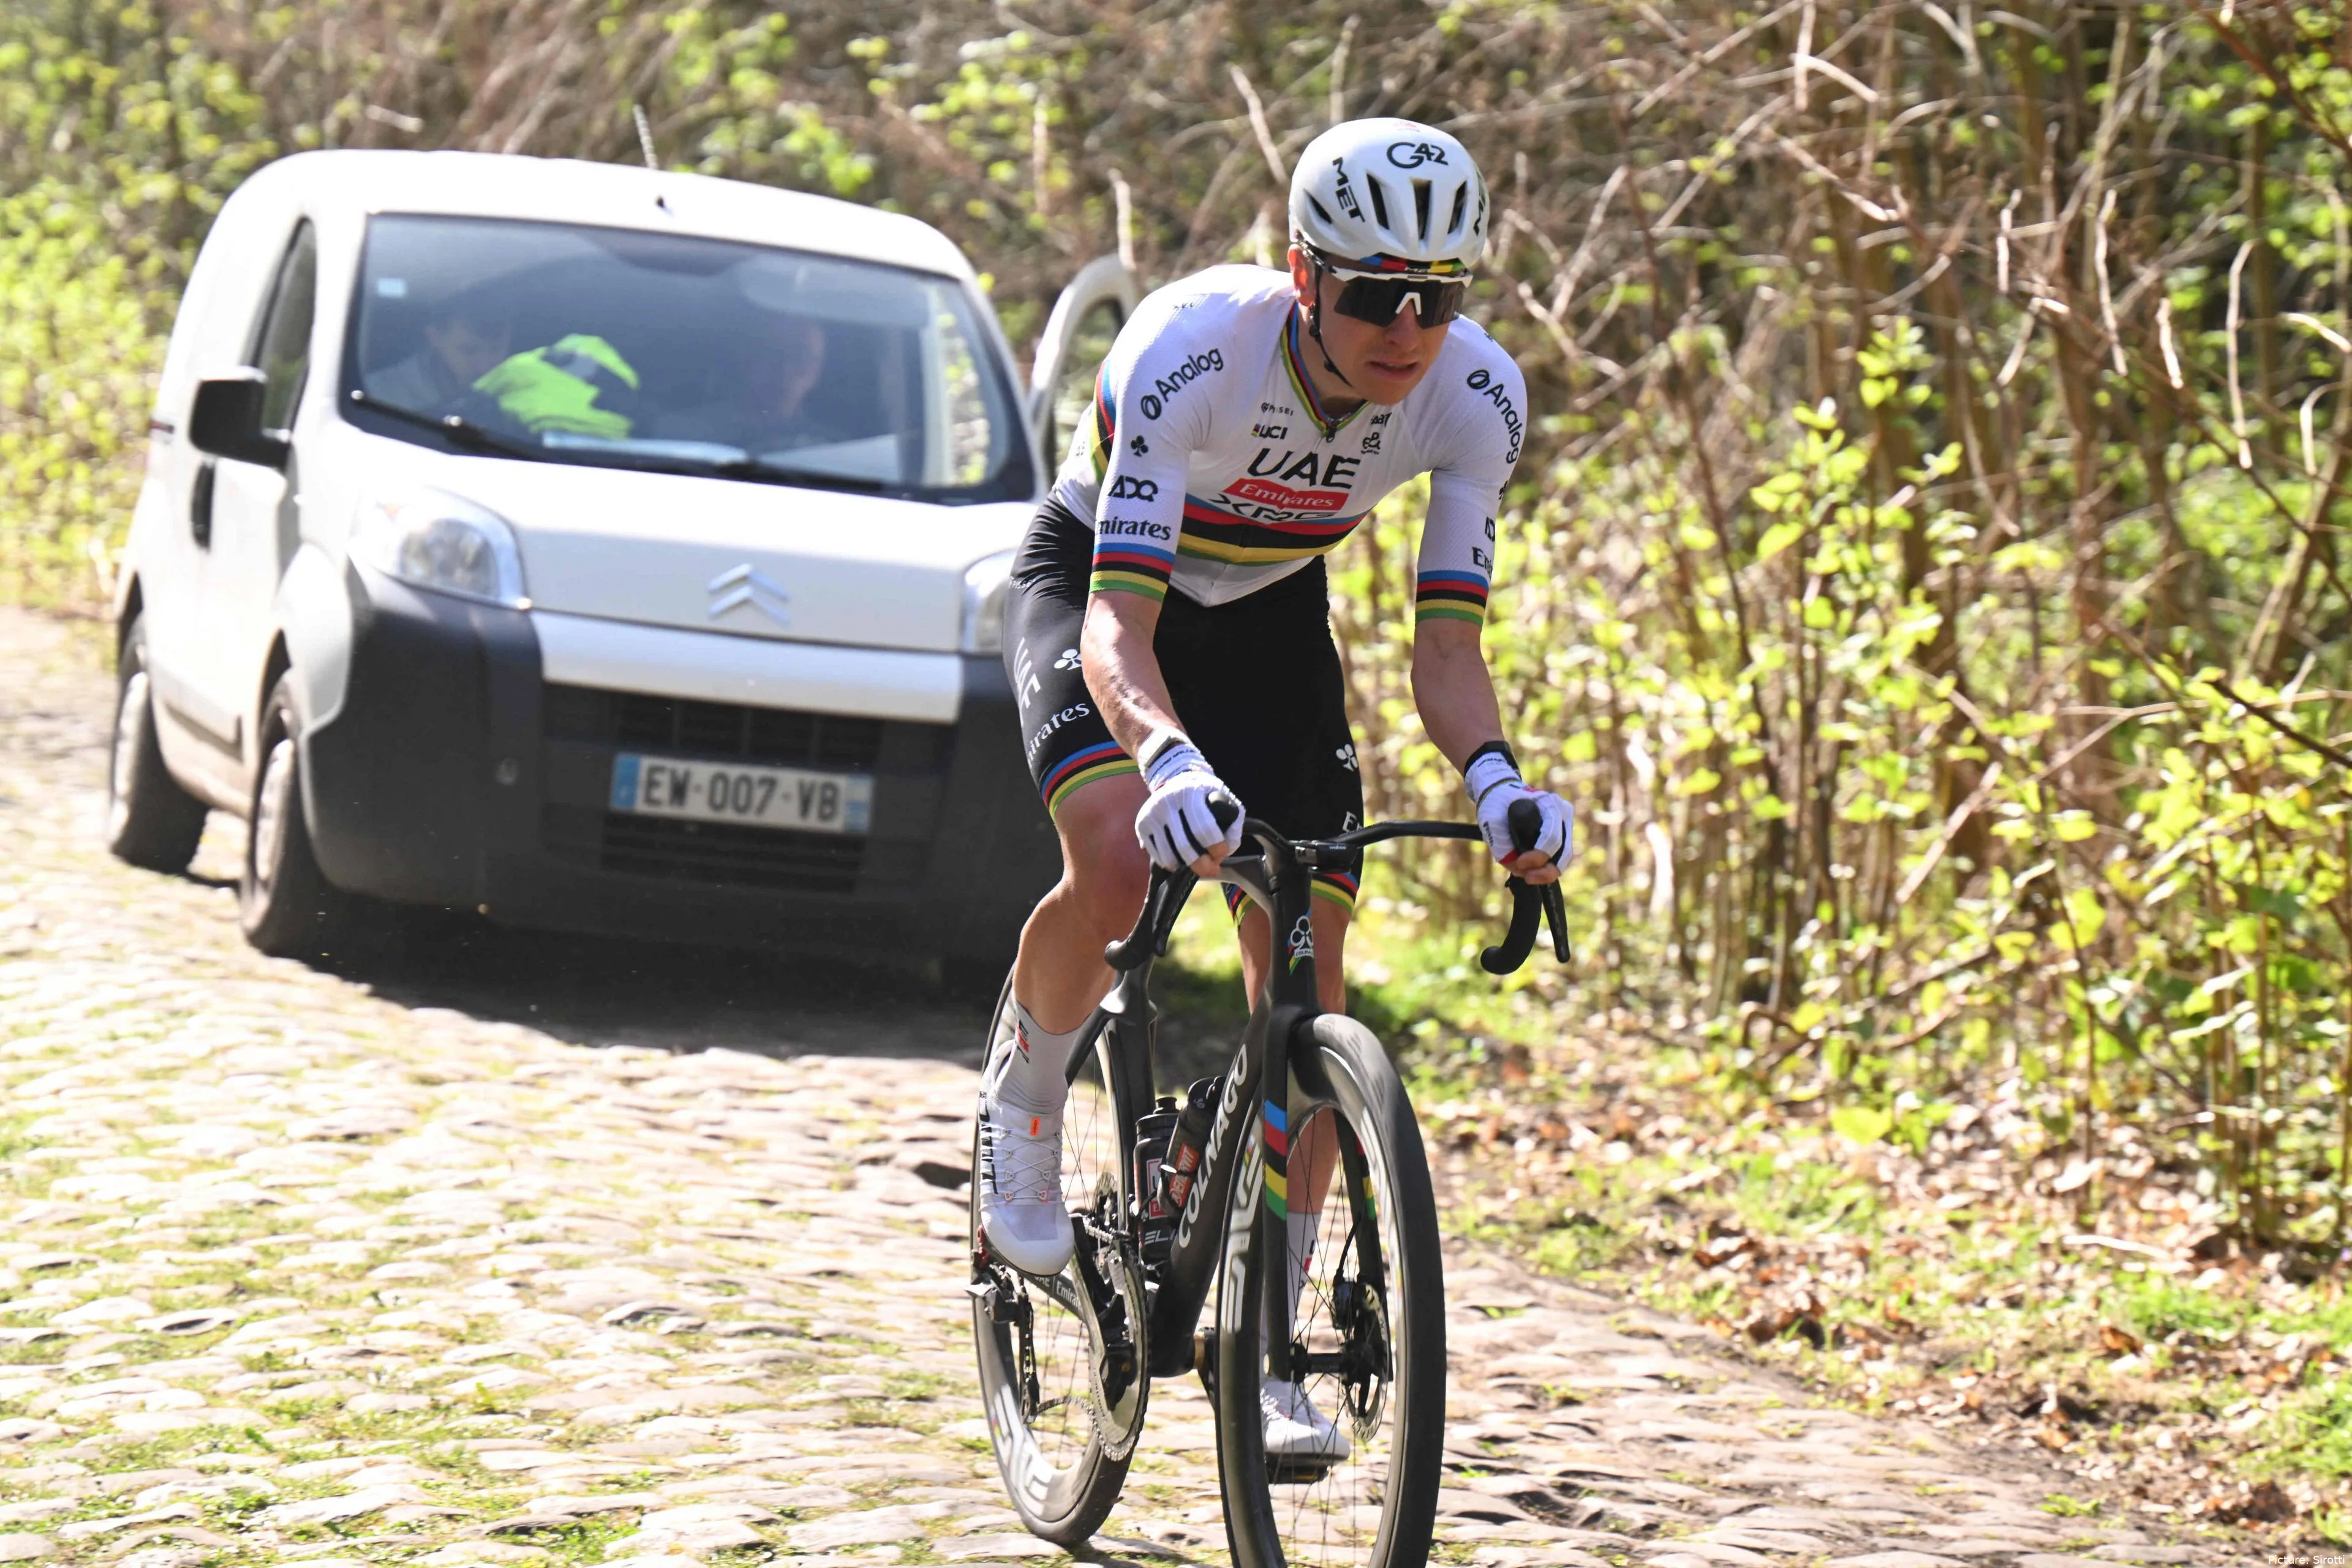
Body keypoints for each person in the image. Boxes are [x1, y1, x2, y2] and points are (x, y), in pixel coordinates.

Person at [979, 118, 1572, 1461]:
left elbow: (1447, 650)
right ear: (1305, 273)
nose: (1408, 328)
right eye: (1375, 294)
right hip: (1102, 586)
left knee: (1308, 977)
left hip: (1267, 619)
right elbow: (1118, 629)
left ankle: (1267, 1341)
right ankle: (1025, 1100)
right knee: (1117, 861)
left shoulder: (1477, 397)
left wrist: (1498, 784)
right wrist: (1168, 759)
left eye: (1437, 297)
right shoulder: (1192, 353)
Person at [369, 292, 511, 415]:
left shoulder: (518, 391)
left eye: (495, 350)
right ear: (435, 338)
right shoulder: (379, 398)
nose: (484, 367)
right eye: (469, 351)